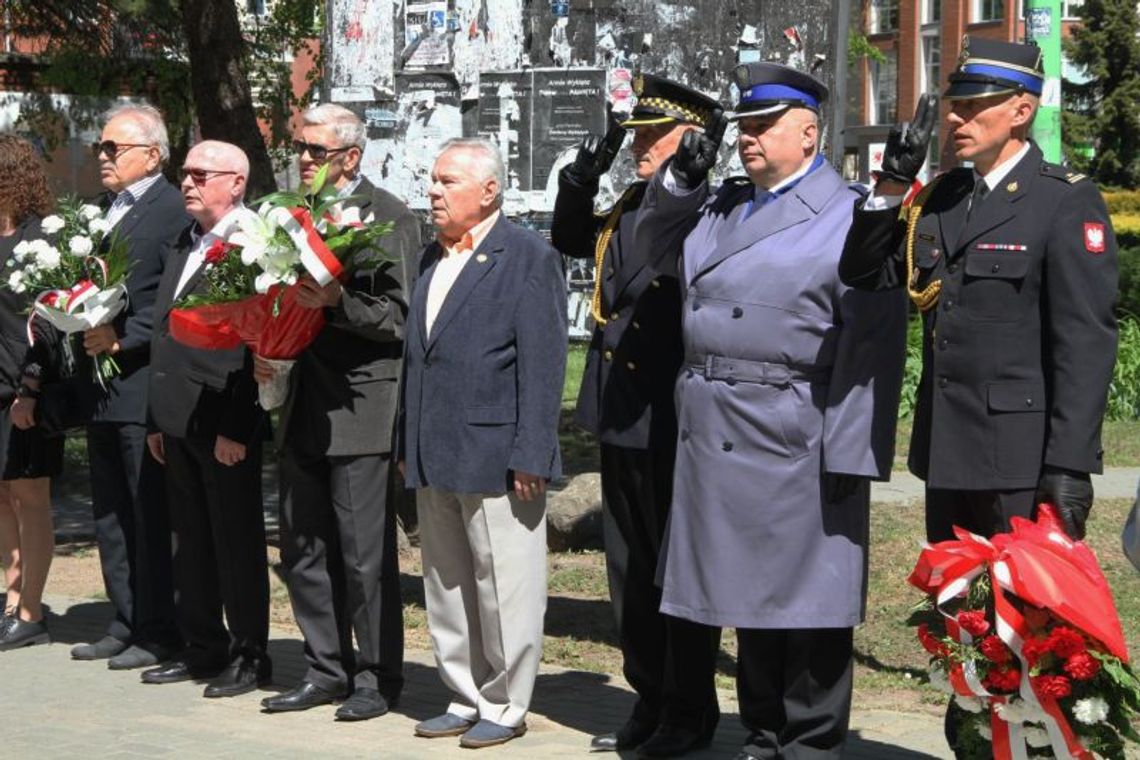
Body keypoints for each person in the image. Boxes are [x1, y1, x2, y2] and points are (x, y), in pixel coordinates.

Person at [638, 62, 907, 759]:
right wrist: (681, 184)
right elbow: (650, 253)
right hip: (715, 421)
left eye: (763, 127)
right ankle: (762, 730)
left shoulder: (849, 212)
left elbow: (873, 340)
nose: (747, 139)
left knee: (806, 596)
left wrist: (852, 449)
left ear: (809, 133)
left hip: (793, 423)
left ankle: (811, 738)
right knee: (743, 589)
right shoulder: (723, 205)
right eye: (743, 128)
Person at [839, 37, 1118, 545]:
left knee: (1016, 618)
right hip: (946, 449)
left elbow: (1084, 344)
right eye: (955, 106)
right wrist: (892, 185)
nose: (954, 120)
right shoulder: (944, 196)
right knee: (955, 615)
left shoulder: (1064, 200)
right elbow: (864, 273)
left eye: (972, 107)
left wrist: (1069, 464)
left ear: (1021, 110)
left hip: (1021, 462)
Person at [551, 74, 722, 755]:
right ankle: (648, 697)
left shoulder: (702, 208)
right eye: (638, 134)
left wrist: (676, 184)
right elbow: (570, 239)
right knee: (628, 572)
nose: (639, 145)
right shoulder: (628, 202)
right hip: (621, 409)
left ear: (694, 141)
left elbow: (661, 248)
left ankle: (689, 711)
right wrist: (579, 179)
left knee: (674, 573)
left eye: (654, 134)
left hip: (669, 412)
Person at [398, 137, 566, 749]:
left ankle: (506, 701)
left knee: (506, 587)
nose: (433, 191)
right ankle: (463, 692)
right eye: (432, 180)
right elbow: (420, 359)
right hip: (433, 448)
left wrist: (532, 450)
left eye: (447, 182)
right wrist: (405, 441)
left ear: (488, 190)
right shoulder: (429, 257)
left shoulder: (527, 257)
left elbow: (544, 365)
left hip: (499, 456)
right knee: (444, 584)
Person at [259, 104, 420, 720]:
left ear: (352, 156)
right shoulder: (287, 216)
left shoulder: (389, 216)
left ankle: (378, 677)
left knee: (361, 555)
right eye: (299, 148)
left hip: (361, 405)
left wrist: (336, 301)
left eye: (316, 151)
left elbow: (400, 318)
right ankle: (326, 668)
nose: (304, 159)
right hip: (300, 399)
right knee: (301, 546)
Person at [141, 141, 269, 698]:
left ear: (236, 183)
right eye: (184, 172)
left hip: (223, 420)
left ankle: (249, 655)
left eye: (200, 174)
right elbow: (164, 332)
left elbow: (255, 346)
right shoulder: (185, 242)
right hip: (178, 417)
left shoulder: (255, 246)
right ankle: (202, 647)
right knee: (189, 540)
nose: (187, 182)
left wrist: (237, 427)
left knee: (235, 542)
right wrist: (156, 419)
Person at [61, 103, 187, 669]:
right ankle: (125, 617)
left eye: (114, 148)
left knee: (147, 510)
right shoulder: (98, 210)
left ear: (152, 155)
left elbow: (174, 294)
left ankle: (160, 628)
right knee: (110, 511)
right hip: (100, 383)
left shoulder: (170, 209)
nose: (103, 157)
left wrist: (124, 338)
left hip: (140, 382)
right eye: (100, 148)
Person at [0, 135, 65, 650]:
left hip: (24, 388)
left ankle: (32, 612)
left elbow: (48, 323)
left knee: (30, 496)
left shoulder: (36, 238)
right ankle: (10, 598)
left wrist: (31, 388)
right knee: (2, 499)